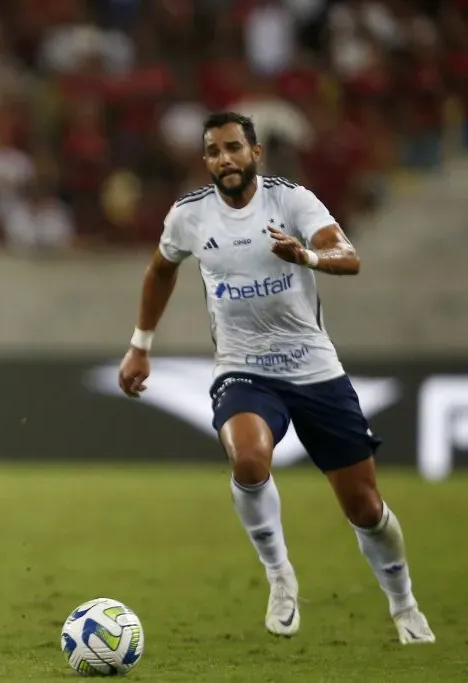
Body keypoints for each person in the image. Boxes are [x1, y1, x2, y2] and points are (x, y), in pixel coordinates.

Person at [117, 112, 435, 645]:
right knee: (247, 458)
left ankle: (403, 604)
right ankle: (280, 575)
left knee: (365, 507)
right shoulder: (189, 215)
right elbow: (160, 269)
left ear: (256, 154)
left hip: (315, 370)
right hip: (244, 371)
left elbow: (349, 256)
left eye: (234, 148)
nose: (225, 159)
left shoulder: (292, 201)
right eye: (214, 151)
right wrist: (140, 346)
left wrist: (305, 254)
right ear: (206, 161)